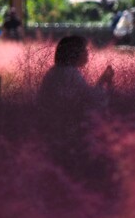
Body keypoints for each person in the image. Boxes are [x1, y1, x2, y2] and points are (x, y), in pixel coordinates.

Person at [37, 35, 119, 199]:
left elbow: (84, 98)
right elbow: (91, 101)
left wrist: (102, 81)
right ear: (74, 52)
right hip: (67, 135)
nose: (87, 53)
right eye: (84, 50)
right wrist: (104, 81)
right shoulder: (69, 74)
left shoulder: (56, 73)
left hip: (55, 132)